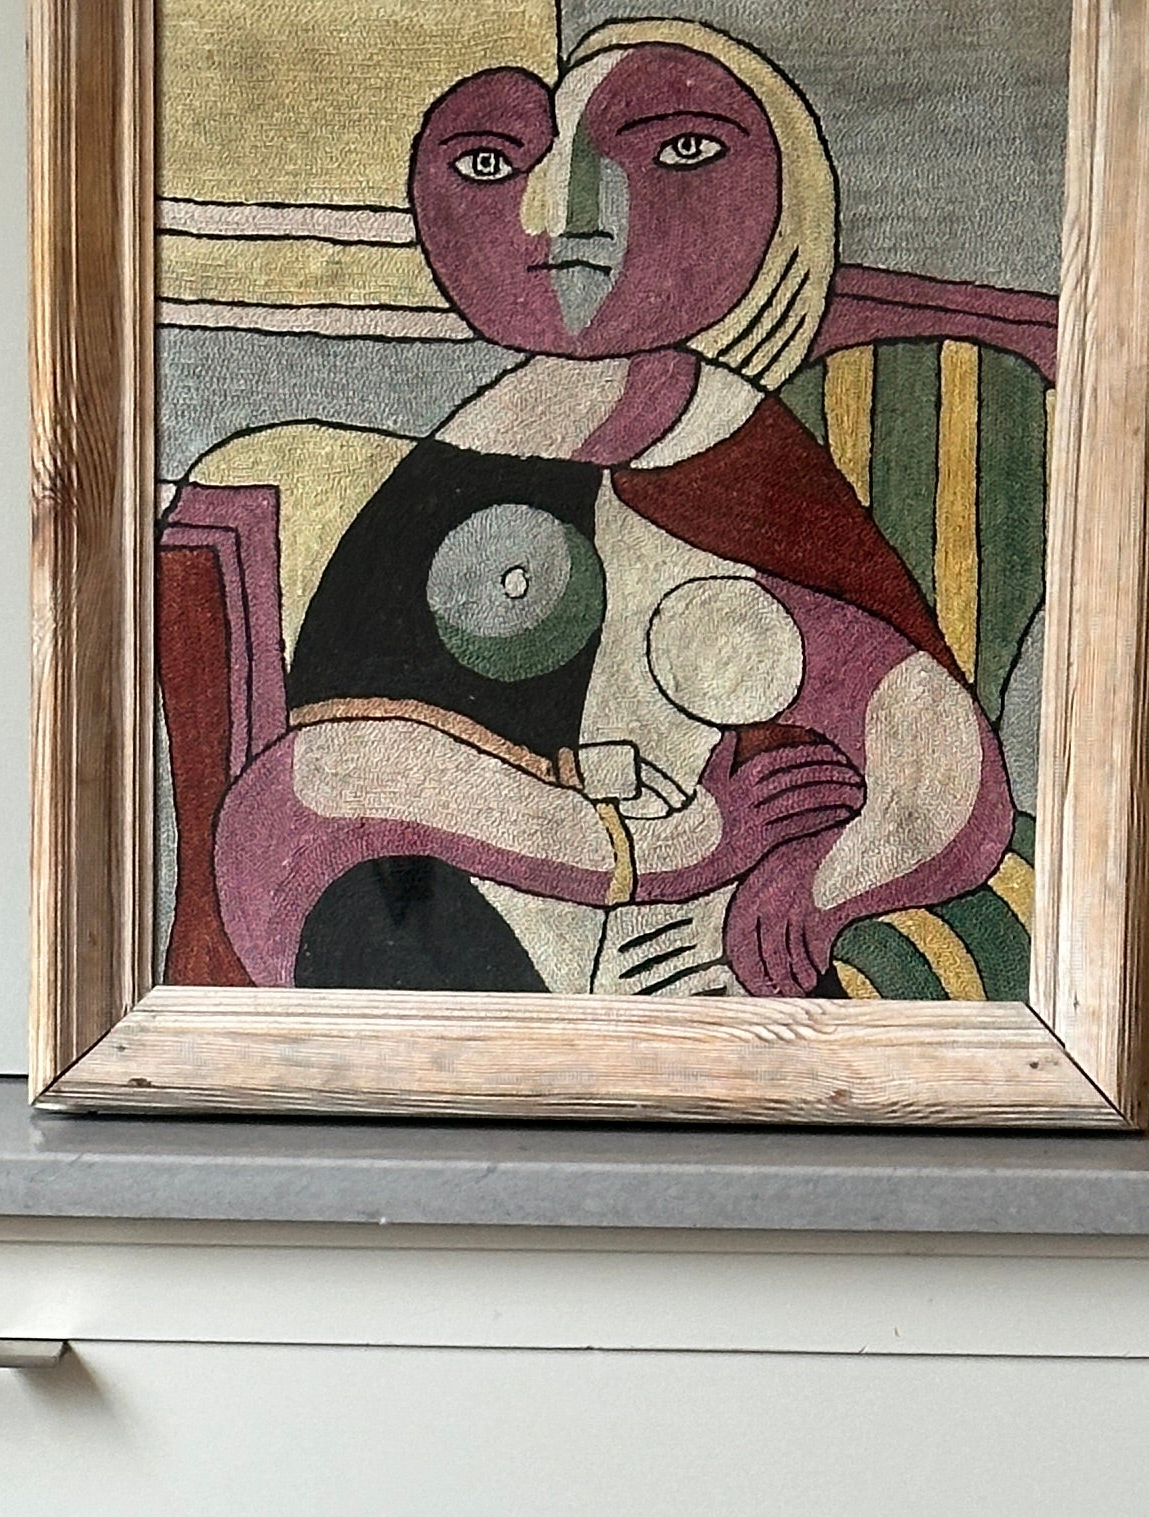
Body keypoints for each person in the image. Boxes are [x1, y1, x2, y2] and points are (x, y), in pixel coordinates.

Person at [208, 19, 1014, 998]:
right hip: (443, 936)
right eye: (493, 163)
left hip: (676, 968)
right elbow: (322, 789)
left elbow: (940, 762)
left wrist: (823, 884)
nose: (565, 216)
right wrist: (670, 844)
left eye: (679, 151)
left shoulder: (737, 453)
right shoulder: (469, 454)